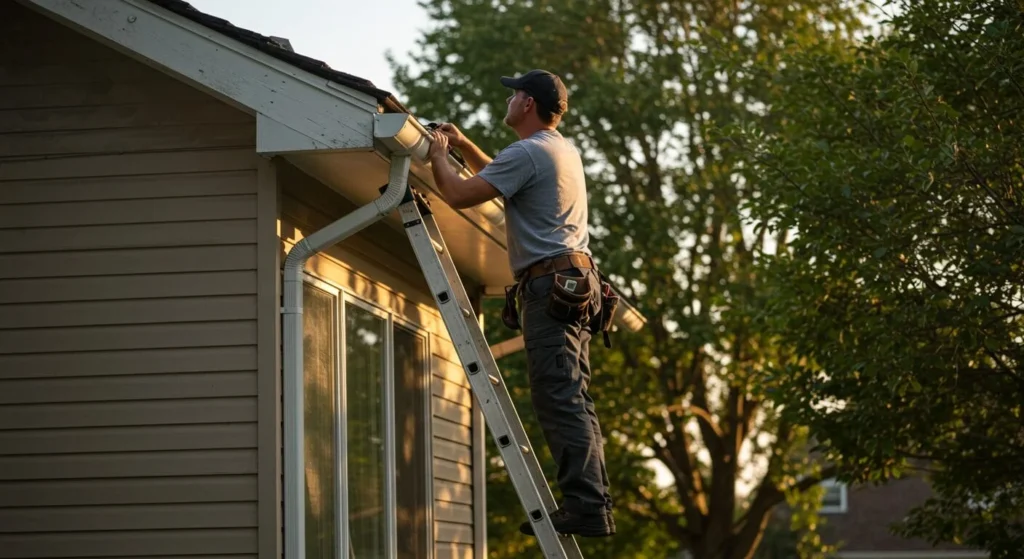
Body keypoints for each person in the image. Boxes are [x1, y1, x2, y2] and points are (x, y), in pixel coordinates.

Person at [424, 69, 614, 538]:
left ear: (527, 103)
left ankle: (587, 506)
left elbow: (458, 193)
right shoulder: (557, 149)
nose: (508, 102)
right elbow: (502, 176)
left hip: (552, 287)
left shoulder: (529, 152)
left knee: (560, 397)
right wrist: (464, 146)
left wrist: (435, 156)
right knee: (573, 398)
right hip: (575, 282)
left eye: (513, 95)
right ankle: (592, 501)